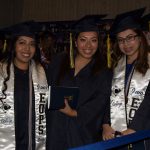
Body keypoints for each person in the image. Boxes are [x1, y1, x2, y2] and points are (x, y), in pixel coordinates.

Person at [46, 17, 113, 149]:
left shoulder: (103, 70)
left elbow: (101, 101)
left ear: (98, 43)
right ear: (75, 42)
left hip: (82, 133)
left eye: (93, 40)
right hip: (55, 128)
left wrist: (74, 113)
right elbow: (46, 88)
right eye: (83, 40)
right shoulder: (59, 61)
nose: (88, 46)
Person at [102, 8, 150, 149]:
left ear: (140, 38)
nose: (126, 44)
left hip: (143, 133)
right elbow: (107, 98)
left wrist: (135, 128)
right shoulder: (116, 67)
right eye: (121, 40)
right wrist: (105, 124)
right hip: (116, 133)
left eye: (130, 38)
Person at [0, 23, 48, 149]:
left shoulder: (41, 72)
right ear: (13, 46)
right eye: (22, 43)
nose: (27, 48)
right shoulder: (1, 72)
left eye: (32, 44)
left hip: (32, 140)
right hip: (5, 139)